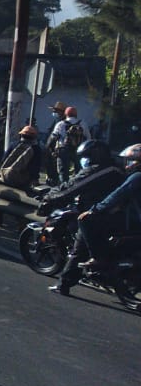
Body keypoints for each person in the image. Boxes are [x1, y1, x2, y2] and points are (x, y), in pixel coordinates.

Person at [45, 140, 127, 295]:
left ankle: (63, 285)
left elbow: (72, 187)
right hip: (116, 215)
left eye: (86, 156)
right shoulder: (117, 169)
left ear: (95, 155)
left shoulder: (98, 171)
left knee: (79, 248)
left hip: (95, 213)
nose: (85, 160)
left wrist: (50, 198)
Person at [68, 144, 141, 277]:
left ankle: (99, 258)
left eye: (131, 160)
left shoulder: (137, 177)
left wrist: (95, 210)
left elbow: (117, 195)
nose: (128, 164)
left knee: (87, 220)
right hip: (134, 219)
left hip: (134, 221)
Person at [49, 105, 89, 184]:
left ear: (66, 114)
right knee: (78, 172)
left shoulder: (60, 124)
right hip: (78, 151)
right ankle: (76, 188)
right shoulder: (83, 124)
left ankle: (64, 188)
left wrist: (52, 150)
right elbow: (88, 138)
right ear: (76, 115)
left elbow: (53, 138)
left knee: (63, 172)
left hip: (63, 150)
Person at [0, 125, 43, 190]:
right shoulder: (36, 149)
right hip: (22, 180)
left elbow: (4, 159)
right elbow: (35, 167)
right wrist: (35, 179)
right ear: (34, 137)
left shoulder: (13, 144)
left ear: (21, 135)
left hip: (6, 176)